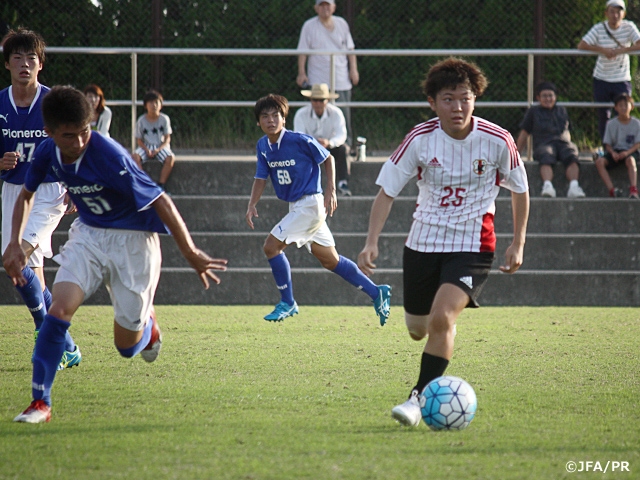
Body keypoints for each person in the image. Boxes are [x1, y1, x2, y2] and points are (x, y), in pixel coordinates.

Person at [3, 86, 228, 423]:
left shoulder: (108, 154)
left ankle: (148, 327)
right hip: (89, 235)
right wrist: (13, 243)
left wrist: (191, 251)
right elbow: (25, 196)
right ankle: (41, 402)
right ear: (49, 132)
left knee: (126, 347)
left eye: (84, 132)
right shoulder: (47, 151)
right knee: (59, 310)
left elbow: (161, 201)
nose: (79, 142)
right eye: (69, 135)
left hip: (133, 243)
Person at [357, 58, 530, 427]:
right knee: (418, 328)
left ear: (476, 99)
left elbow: (520, 189)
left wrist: (518, 242)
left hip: (473, 245)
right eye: (448, 99)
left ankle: (417, 398)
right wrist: (371, 241)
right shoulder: (419, 140)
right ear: (433, 103)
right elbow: (386, 192)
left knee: (442, 318)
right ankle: (442, 334)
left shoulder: (498, 140)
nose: (458, 107)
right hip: (422, 243)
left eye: (465, 98)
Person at [246, 93, 391, 324]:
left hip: (310, 204)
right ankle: (377, 292)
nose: (271, 120)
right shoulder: (263, 145)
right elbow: (261, 176)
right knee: (330, 260)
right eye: (265, 116)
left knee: (271, 247)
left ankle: (287, 302)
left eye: (276, 115)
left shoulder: (299, 140)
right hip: (297, 207)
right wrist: (252, 203)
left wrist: (330, 190)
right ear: (258, 121)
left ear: (285, 119)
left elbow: (329, 159)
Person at [0, 28, 80, 370]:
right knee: (24, 271)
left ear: (41, 64)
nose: (24, 64)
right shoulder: (0, 102)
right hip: (14, 191)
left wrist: (76, 184)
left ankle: (45, 336)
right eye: (17, 57)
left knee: (16, 260)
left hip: (48, 191)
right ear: (7, 65)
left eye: (31, 58)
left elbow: (75, 143)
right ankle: (65, 343)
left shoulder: (53, 103)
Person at [296, 0, 359, 148]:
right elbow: (302, 51)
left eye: (328, 5)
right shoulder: (309, 26)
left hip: (340, 79)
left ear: (334, 7)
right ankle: (312, 147)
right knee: (315, 115)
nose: (325, 8)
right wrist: (301, 73)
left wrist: (353, 70)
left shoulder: (342, 24)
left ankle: (345, 148)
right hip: (318, 80)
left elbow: (351, 50)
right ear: (316, 8)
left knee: (343, 116)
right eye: (322, 5)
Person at [578, 0, 640, 141]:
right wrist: (603, 50)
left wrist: (622, 50)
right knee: (603, 115)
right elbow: (582, 45)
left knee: (625, 113)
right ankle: (606, 147)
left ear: (623, 14)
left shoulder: (629, 27)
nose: (615, 15)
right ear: (606, 13)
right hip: (602, 78)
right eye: (612, 11)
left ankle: (624, 145)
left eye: (618, 12)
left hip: (621, 78)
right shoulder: (599, 28)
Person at [516, 81, 586, 198]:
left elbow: (567, 131)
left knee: (571, 153)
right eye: (544, 96)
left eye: (550, 95)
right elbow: (524, 133)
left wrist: (568, 144)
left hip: (562, 142)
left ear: (555, 97)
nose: (548, 99)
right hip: (543, 143)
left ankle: (574, 186)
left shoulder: (562, 110)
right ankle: (548, 186)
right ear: (538, 97)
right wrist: (516, 154)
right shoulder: (533, 111)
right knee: (546, 155)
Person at [293, 83, 352, 196]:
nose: (318, 103)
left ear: (327, 100)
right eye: (315, 100)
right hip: (309, 149)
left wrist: (329, 143)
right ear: (310, 100)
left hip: (330, 148)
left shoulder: (336, 113)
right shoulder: (301, 114)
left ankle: (343, 183)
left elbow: (342, 135)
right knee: (297, 151)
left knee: (344, 149)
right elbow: (298, 137)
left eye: (321, 100)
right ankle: (301, 185)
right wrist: (313, 144)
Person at [594, 92, 640, 198]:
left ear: (632, 107)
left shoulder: (637, 124)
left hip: (630, 151)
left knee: (631, 161)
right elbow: (608, 144)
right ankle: (612, 190)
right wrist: (613, 153)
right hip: (615, 151)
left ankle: (633, 190)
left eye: (626, 105)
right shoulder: (611, 124)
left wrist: (627, 153)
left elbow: (638, 144)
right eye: (620, 105)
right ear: (616, 108)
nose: (623, 108)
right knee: (600, 162)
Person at [132, 89, 175, 191]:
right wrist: (146, 150)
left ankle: (161, 184)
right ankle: (144, 183)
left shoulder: (164, 119)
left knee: (170, 158)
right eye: (151, 102)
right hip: (146, 146)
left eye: (156, 102)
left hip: (160, 145)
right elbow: (139, 140)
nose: (154, 105)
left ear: (161, 105)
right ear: (145, 105)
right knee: (134, 157)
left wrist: (158, 149)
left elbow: (167, 138)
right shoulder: (141, 120)